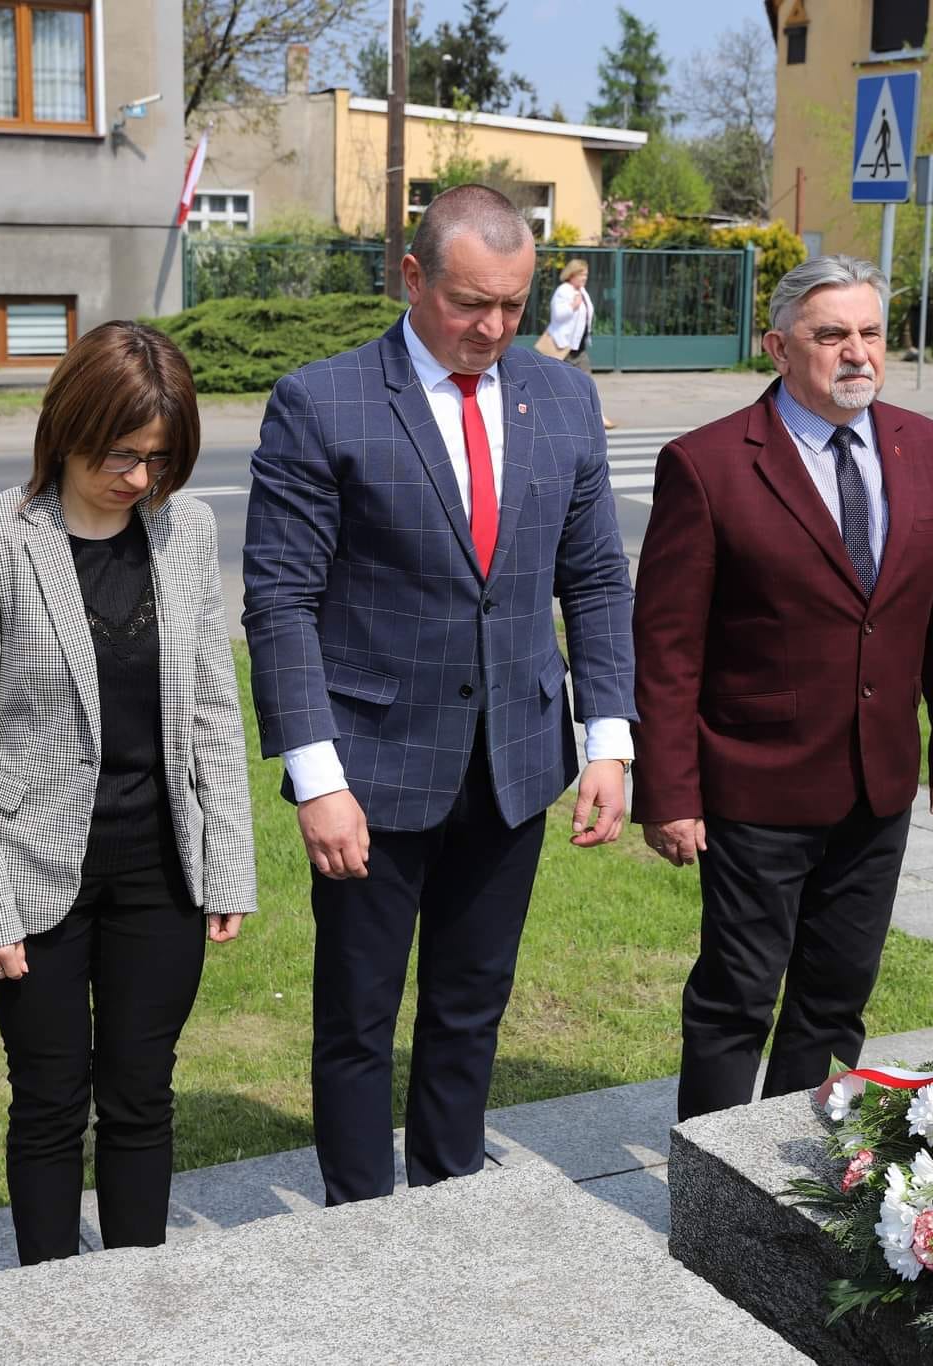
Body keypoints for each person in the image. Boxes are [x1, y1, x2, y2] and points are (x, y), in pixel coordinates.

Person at [242, 184, 636, 1206]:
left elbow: (592, 579)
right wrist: (313, 775)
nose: (493, 329)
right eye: (470, 304)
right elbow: (280, 600)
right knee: (358, 1014)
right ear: (411, 276)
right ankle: (361, 1215)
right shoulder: (320, 402)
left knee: (471, 1000)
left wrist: (608, 739)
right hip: (368, 768)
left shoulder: (560, 399)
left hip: (514, 759)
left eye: (512, 305)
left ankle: (450, 1186)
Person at [0, 320, 256, 1264]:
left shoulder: (183, 530)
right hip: (34, 875)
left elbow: (209, 711)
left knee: (143, 1094)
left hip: (160, 867)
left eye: (160, 459)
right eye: (122, 454)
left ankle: (135, 1308)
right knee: (49, 1101)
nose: (139, 480)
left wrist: (226, 864)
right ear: (66, 424)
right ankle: (50, 1310)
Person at [630, 254, 933, 1122]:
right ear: (779, 348)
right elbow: (667, 647)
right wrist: (669, 793)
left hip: (877, 783)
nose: (856, 352)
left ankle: (798, 1163)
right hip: (756, 784)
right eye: (831, 335)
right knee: (737, 998)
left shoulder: (923, 446)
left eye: (869, 332)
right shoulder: (708, 464)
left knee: (836, 996)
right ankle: (712, 1176)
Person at [542, 258, 617, 431]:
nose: (585, 278)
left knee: (587, 382)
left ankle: (597, 416)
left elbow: (588, 313)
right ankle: (553, 417)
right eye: (582, 274)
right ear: (572, 274)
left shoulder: (582, 291)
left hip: (578, 347)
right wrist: (572, 306)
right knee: (558, 384)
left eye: (586, 275)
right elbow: (557, 315)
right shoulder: (563, 291)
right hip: (564, 347)